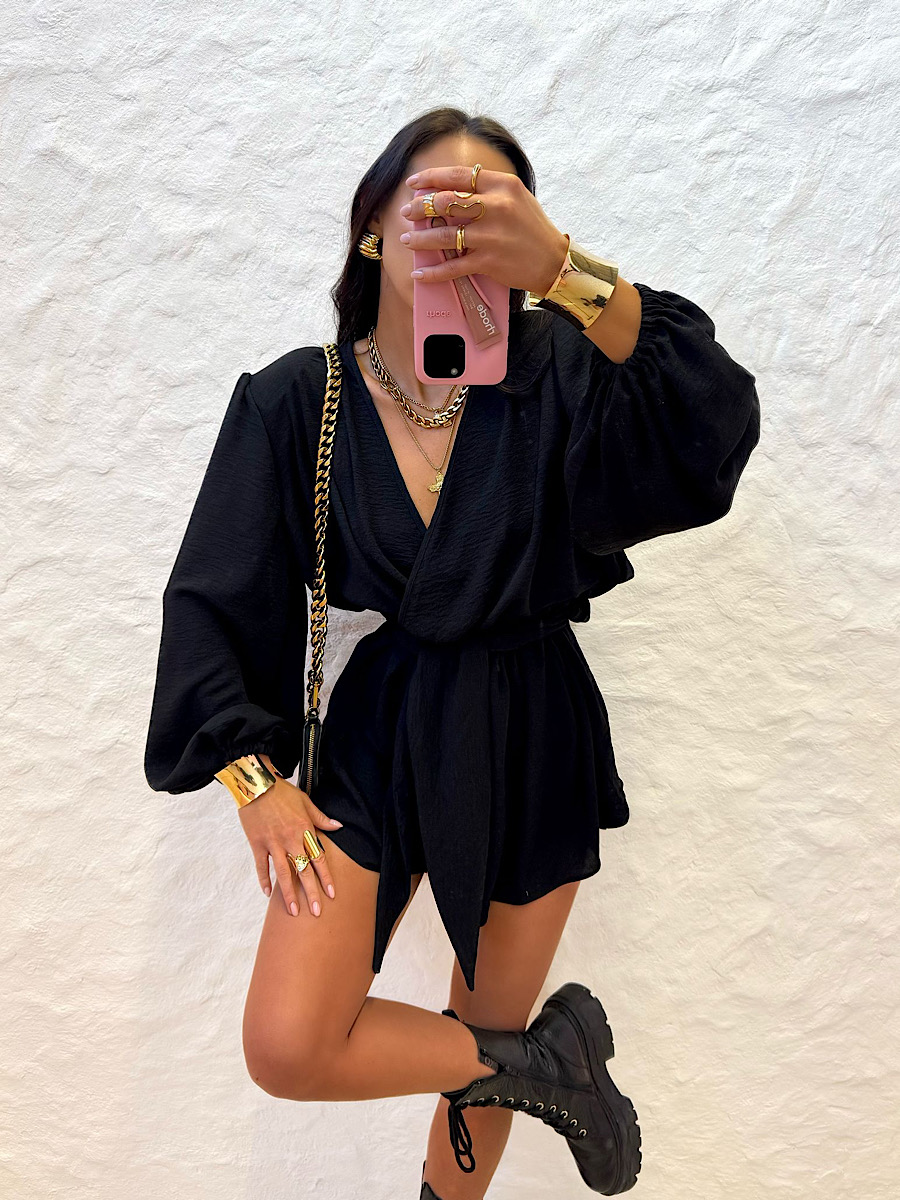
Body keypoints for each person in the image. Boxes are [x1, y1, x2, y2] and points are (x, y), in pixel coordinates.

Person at [143, 107, 760, 1199]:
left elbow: (709, 427)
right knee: (290, 1041)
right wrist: (254, 782)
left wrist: (567, 272)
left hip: (534, 724)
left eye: (495, 208)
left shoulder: (562, 373)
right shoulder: (300, 399)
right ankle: (548, 1067)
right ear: (375, 223)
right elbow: (211, 594)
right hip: (379, 730)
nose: (461, 227)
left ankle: (515, 1085)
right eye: (435, 202)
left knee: (483, 1025)